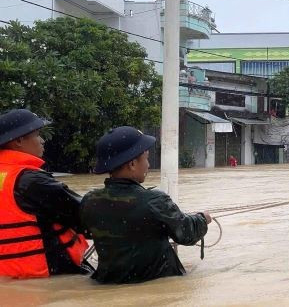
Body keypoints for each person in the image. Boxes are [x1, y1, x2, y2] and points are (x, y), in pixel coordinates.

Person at [80, 127, 211, 284]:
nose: (148, 165)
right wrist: (203, 218)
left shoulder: (89, 201)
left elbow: (88, 232)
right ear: (133, 164)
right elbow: (187, 234)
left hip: (109, 283)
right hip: (158, 286)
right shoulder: (155, 201)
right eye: (146, 159)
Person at [0, 109, 89, 279]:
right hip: (46, 279)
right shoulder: (31, 181)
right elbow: (85, 214)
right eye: (38, 135)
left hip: (8, 281)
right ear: (19, 141)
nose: (43, 141)